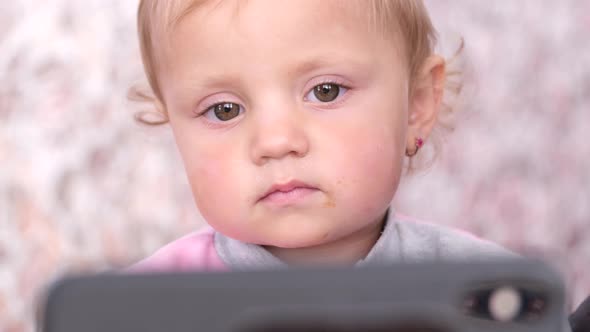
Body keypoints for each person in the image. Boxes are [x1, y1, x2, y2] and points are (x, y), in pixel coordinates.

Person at [129, 0, 514, 272]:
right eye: (224, 110)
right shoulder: (143, 309)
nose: (276, 142)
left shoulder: (485, 293)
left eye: (325, 90)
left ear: (417, 104)